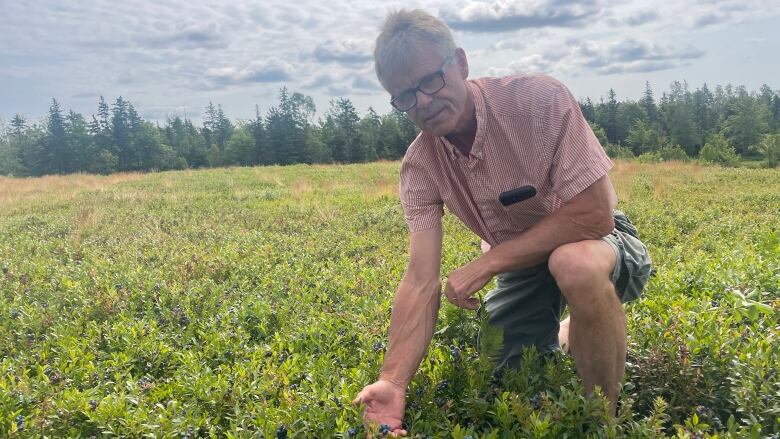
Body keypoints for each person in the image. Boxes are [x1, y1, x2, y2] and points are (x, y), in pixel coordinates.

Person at [352, 9, 652, 436]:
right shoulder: (420, 165)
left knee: (574, 265)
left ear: (459, 63)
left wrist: (488, 263)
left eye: (429, 82)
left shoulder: (537, 101)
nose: (421, 103)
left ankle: (601, 419)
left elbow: (594, 213)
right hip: (522, 266)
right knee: (506, 377)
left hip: (598, 241)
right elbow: (421, 279)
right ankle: (576, 328)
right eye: (404, 96)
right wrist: (392, 379)